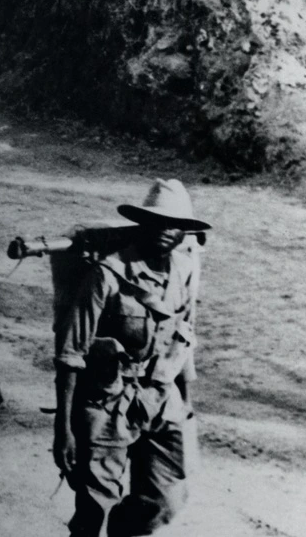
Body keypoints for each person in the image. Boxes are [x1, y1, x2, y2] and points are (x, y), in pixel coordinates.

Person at [54, 179, 206, 537]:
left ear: (185, 232)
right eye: (158, 222)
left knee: (163, 501)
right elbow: (70, 355)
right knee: (93, 507)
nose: (167, 231)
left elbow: (184, 340)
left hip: (161, 398)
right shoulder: (106, 275)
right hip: (107, 402)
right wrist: (63, 431)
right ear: (142, 223)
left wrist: (187, 406)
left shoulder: (185, 271)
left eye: (176, 225)